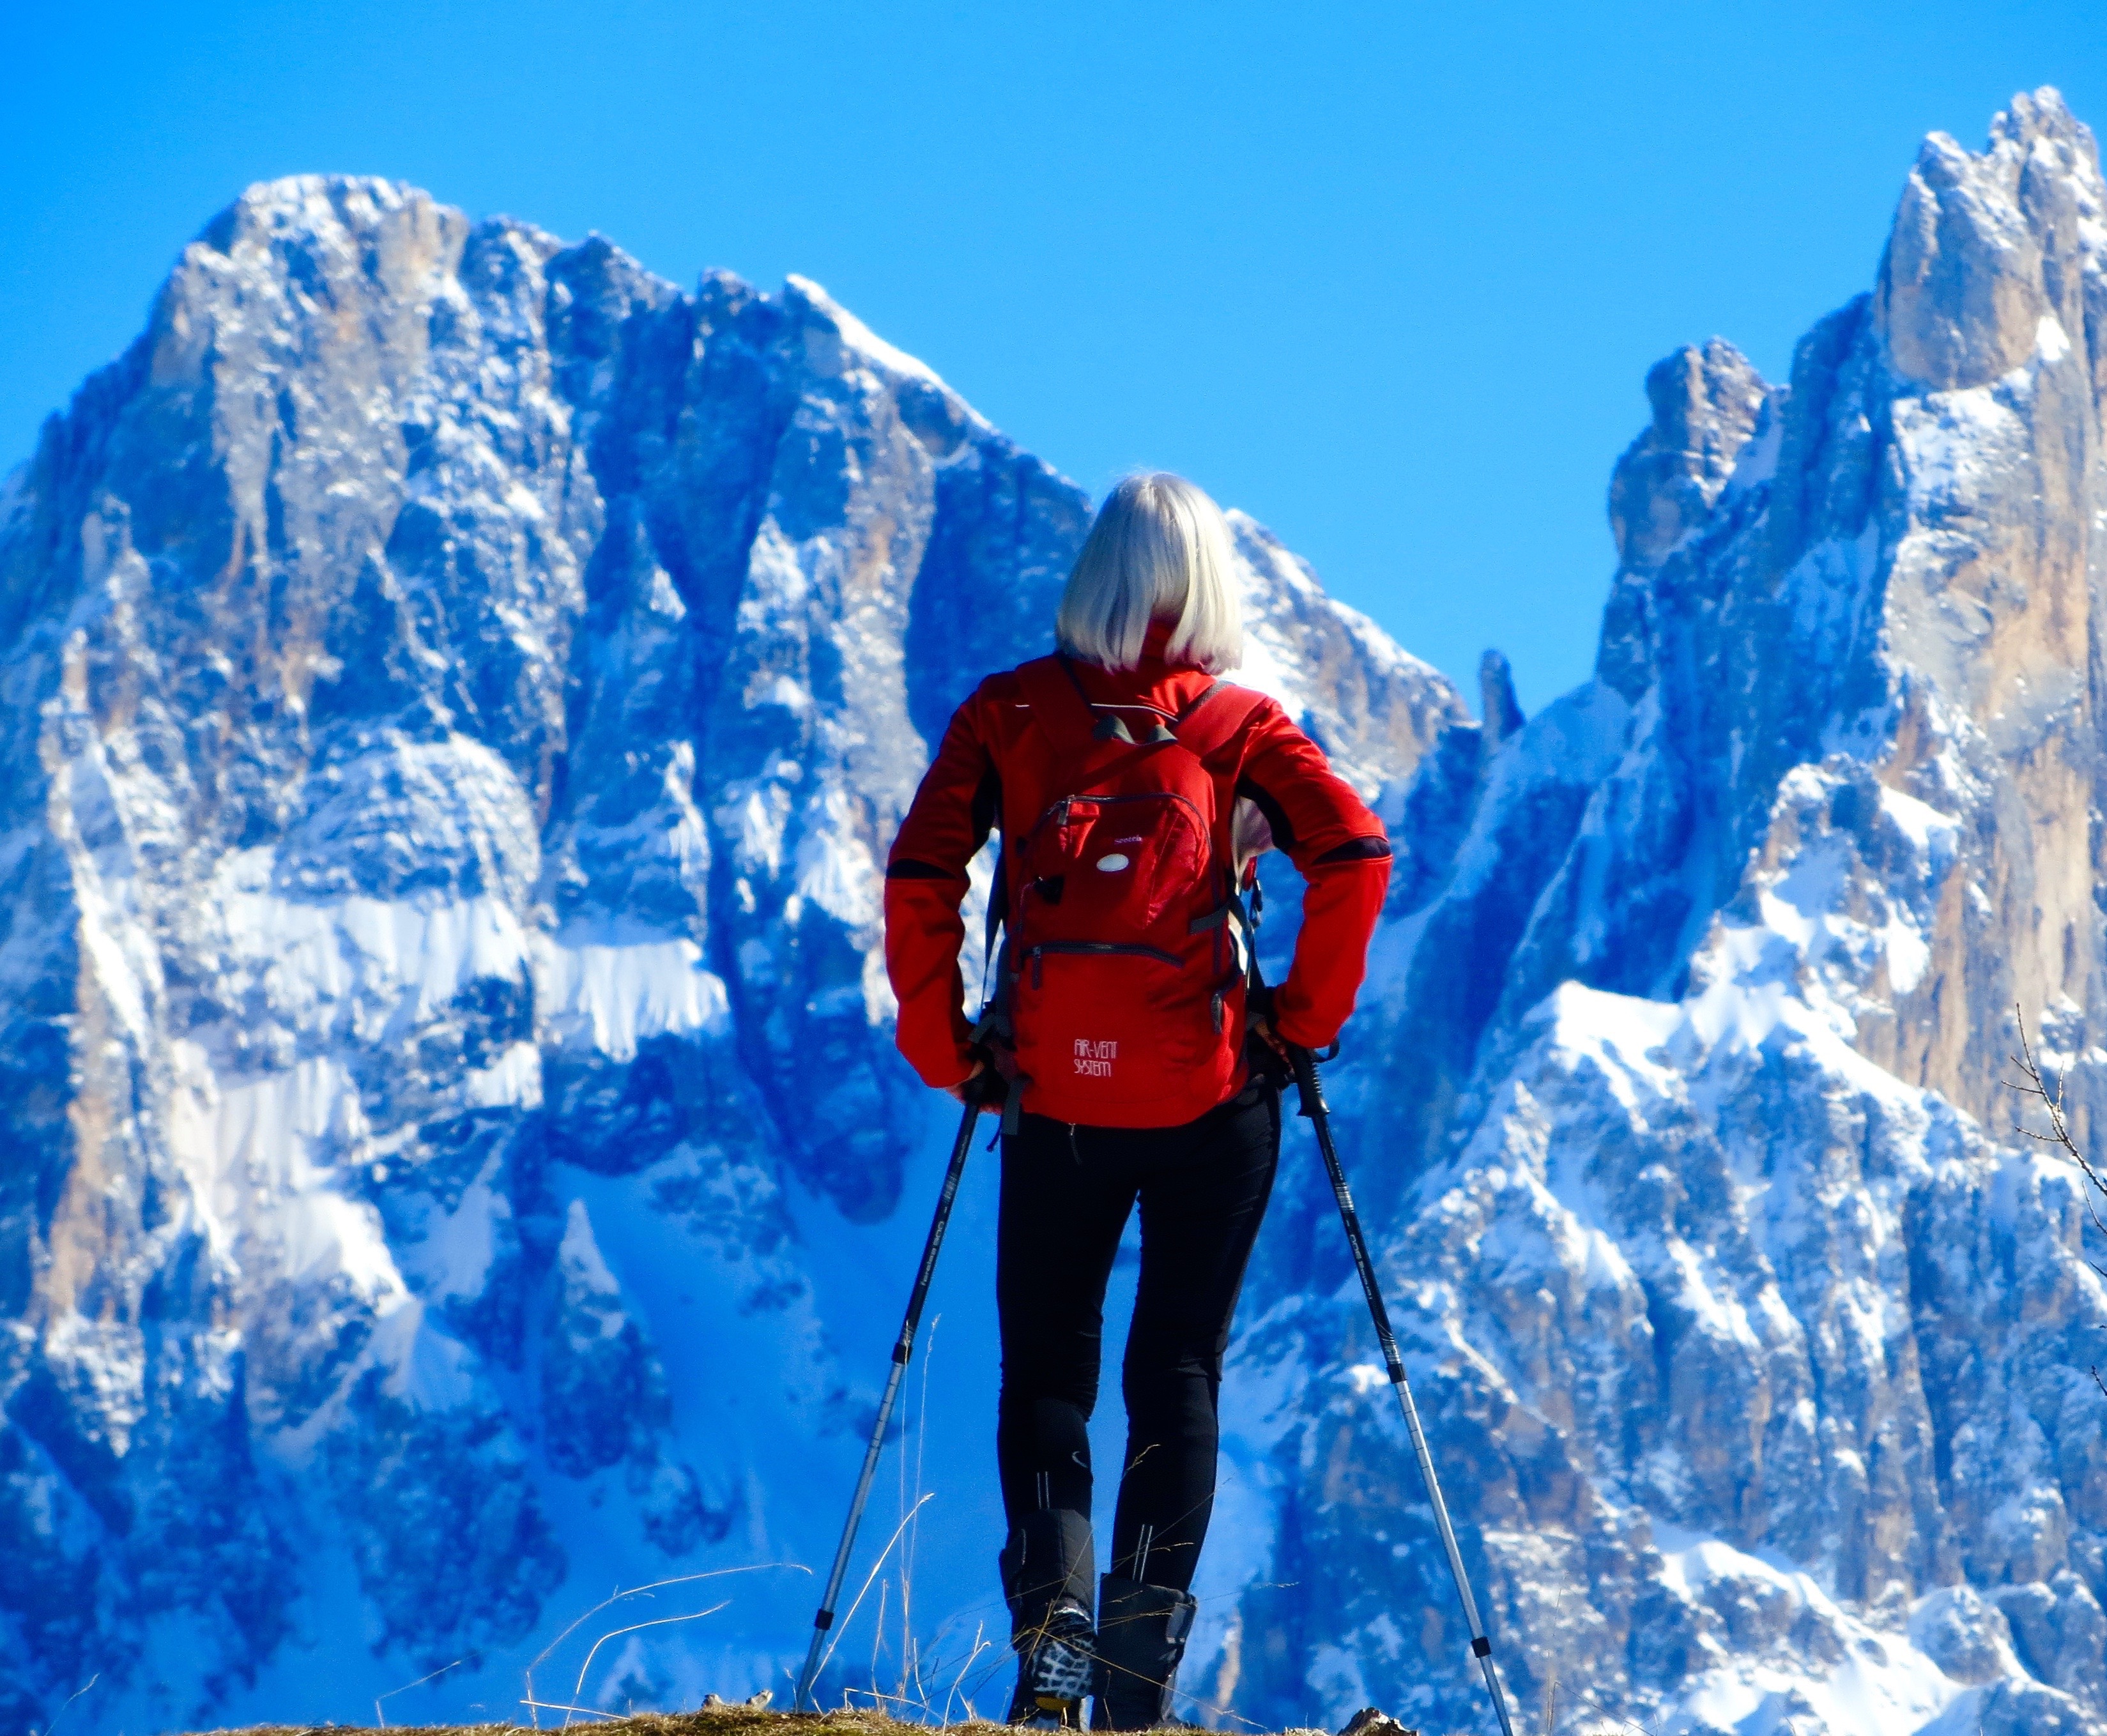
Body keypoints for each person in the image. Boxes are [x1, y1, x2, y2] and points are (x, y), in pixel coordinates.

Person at [883, 473, 1391, 1730]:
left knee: (1045, 1372)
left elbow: (921, 873)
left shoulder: (1008, 712)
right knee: (1176, 1371)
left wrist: (948, 1047)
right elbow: (1355, 855)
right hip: (1213, 1097)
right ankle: (1132, 1683)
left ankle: (1048, 1649)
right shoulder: (1238, 727)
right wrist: (1298, 1021)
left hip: (1054, 1096)